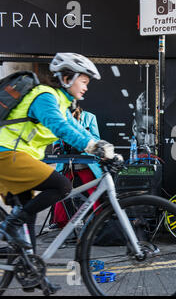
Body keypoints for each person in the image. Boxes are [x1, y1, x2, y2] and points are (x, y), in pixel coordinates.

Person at [0, 52, 117, 253]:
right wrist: (92, 147)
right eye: (84, 81)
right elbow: (61, 127)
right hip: (7, 155)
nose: (86, 87)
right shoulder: (44, 96)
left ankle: (32, 275)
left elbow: (78, 128)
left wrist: (104, 147)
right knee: (62, 186)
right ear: (66, 78)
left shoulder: (61, 103)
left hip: (18, 157)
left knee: (27, 217)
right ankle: (11, 224)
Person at [50, 102, 103, 228]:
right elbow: (56, 137)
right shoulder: (61, 117)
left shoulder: (90, 117)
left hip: (85, 162)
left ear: (77, 109)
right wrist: (57, 147)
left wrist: (83, 145)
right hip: (67, 163)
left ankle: (100, 217)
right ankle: (60, 221)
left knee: (94, 189)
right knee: (60, 189)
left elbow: (96, 138)